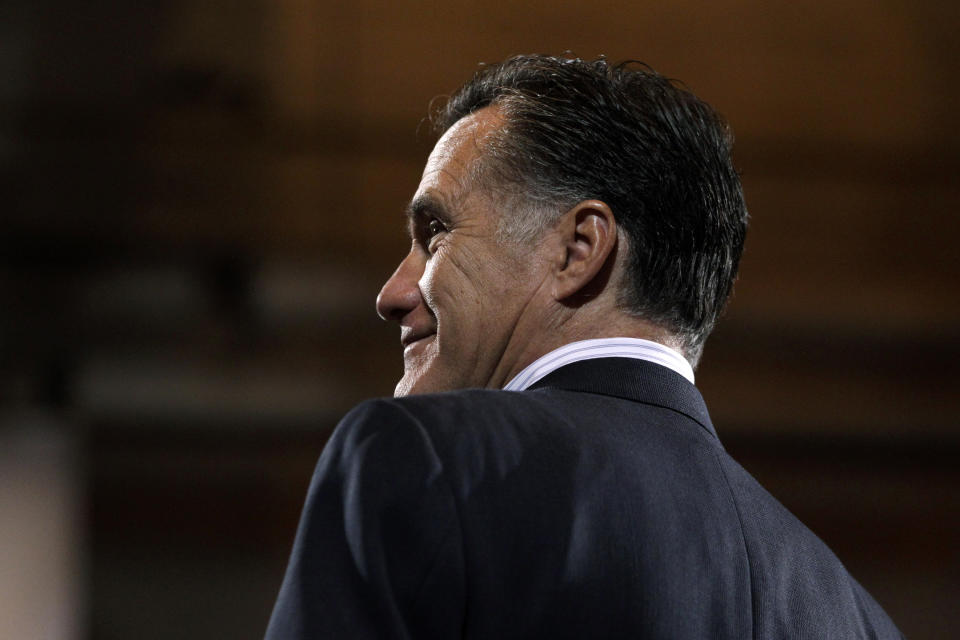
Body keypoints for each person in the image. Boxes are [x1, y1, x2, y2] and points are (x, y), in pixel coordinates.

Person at [265, 55, 902, 639]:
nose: (392, 293)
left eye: (435, 235)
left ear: (579, 249)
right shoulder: (859, 618)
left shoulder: (420, 463)